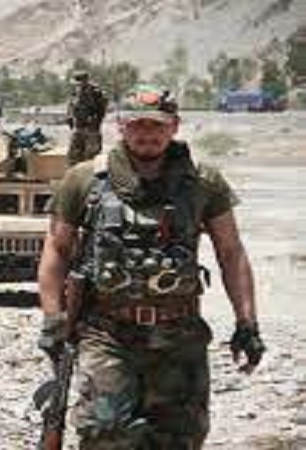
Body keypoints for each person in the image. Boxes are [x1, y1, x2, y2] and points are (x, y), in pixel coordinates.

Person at [37, 91, 265, 449]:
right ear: (121, 127)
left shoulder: (203, 181)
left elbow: (231, 252)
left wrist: (247, 323)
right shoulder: (84, 179)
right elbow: (57, 248)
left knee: (179, 436)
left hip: (180, 335)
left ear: (174, 127)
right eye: (138, 125)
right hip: (107, 333)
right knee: (104, 431)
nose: (147, 134)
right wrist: (54, 319)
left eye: (157, 126)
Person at [65, 70, 108, 166]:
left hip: (91, 131)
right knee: (73, 159)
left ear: (86, 81)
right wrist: (70, 121)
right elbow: (71, 109)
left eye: (80, 82)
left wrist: (94, 124)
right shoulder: (75, 93)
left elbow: (101, 112)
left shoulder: (96, 93)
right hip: (78, 129)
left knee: (91, 160)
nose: (78, 85)